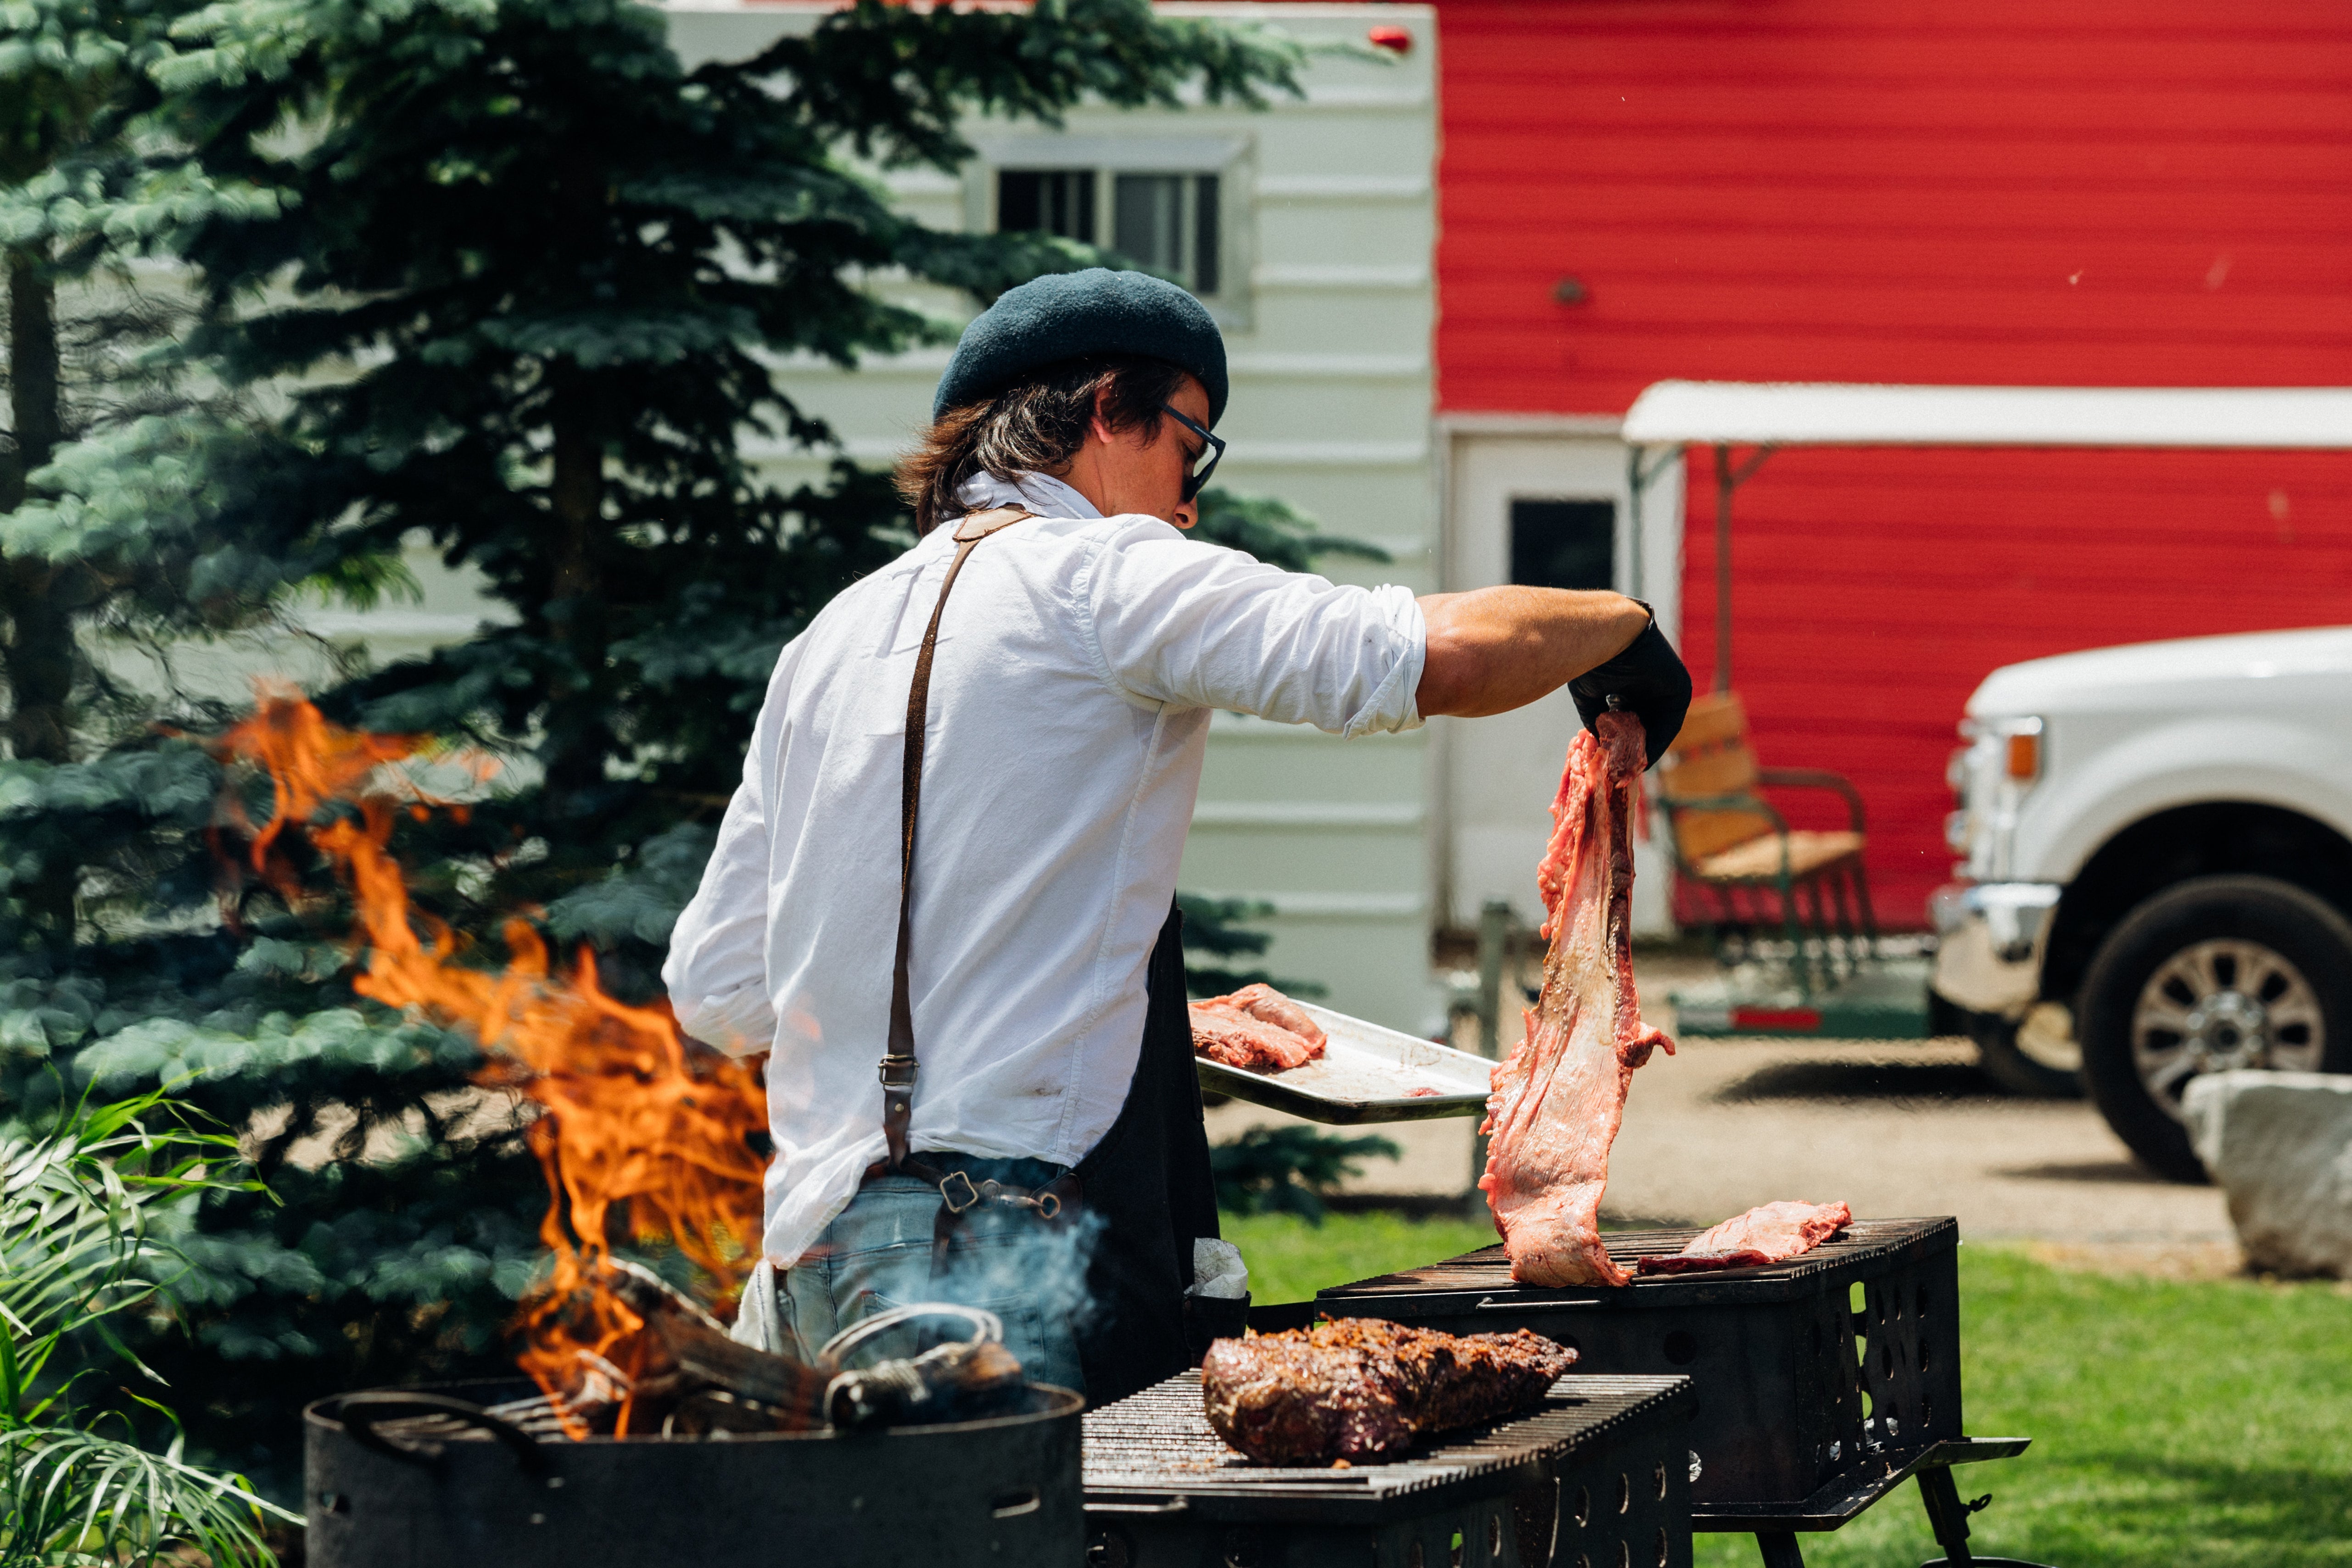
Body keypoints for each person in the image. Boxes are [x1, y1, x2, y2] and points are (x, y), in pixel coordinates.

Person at [663, 268, 1690, 1405]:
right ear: (1109, 409)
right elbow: (1419, 656)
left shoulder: (831, 634)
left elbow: (717, 994)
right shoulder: (1100, 572)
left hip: (808, 1264)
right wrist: (1624, 629)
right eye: (1189, 449)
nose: (1189, 501)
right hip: (982, 1259)